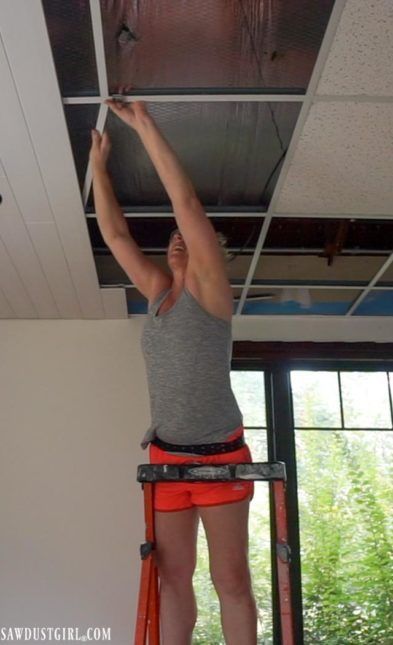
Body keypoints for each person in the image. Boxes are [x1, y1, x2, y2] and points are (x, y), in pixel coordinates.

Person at [90, 100, 257, 645]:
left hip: (219, 453)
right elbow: (115, 237)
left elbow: (185, 203)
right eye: (174, 237)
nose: (179, 238)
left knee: (229, 578)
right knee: (172, 575)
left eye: (191, 239)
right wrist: (98, 168)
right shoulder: (159, 295)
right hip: (166, 454)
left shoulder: (210, 295)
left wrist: (142, 124)